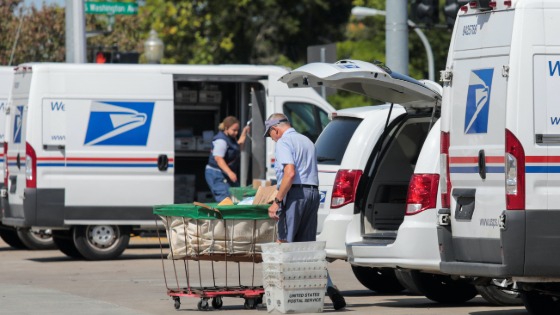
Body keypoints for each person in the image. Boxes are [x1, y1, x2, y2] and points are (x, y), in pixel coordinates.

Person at [264, 113, 346, 311]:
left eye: (271, 134)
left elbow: (290, 173)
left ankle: (279, 295)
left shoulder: (284, 142)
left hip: (295, 195)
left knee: (284, 244)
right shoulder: (307, 140)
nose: (272, 138)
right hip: (312, 193)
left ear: (276, 129)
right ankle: (329, 287)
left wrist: (277, 201)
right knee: (307, 250)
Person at [205, 116, 249, 202]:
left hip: (225, 174)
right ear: (226, 128)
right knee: (225, 199)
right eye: (234, 130)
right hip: (216, 174)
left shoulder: (231, 138)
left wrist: (244, 133)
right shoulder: (221, 140)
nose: (236, 133)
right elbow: (218, 158)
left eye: (237, 130)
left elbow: (238, 146)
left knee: (237, 196)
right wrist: (230, 173)